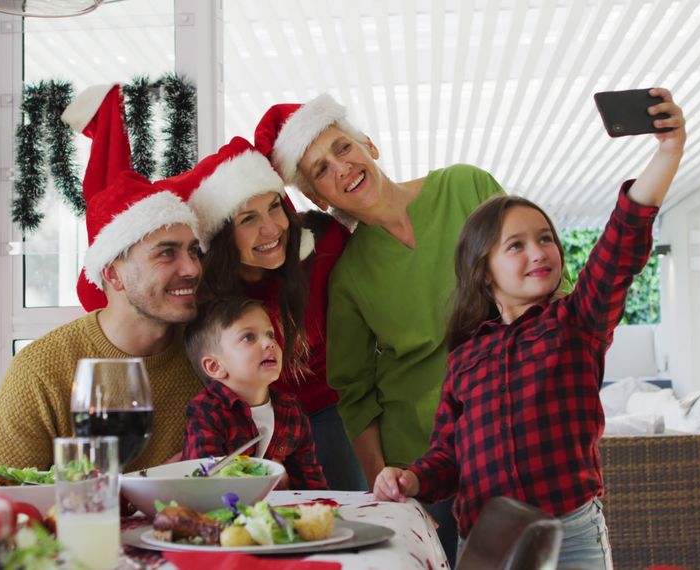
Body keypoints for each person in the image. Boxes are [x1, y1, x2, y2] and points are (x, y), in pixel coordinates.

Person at [374, 88, 686, 568]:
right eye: (515, 245)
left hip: (571, 536)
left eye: (545, 239)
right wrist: (412, 479)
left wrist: (667, 151)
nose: (539, 252)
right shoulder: (464, 359)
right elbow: (447, 458)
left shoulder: (576, 323)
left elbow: (620, 244)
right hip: (486, 540)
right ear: (483, 270)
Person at [254, 93, 507, 561]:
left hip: (510, 434)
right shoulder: (349, 273)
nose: (341, 168)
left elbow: (545, 287)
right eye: (321, 171)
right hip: (425, 463)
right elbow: (354, 391)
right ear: (315, 197)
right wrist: (385, 488)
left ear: (368, 144)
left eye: (342, 149)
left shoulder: (465, 187)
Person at [0, 85, 204, 473]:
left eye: (193, 251)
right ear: (112, 273)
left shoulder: (211, 355)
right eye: (167, 253)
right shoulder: (43, 371)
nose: (191, 268)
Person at [184, 135, 366, 490]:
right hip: (245, 419)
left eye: (275, 207)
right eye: (248, 219)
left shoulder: (324, 248)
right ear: (222, 234)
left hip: (330, 411)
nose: (271, 228)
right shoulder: (207, 295)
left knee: (336, 513)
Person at [182, 297, 328, 490]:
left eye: (270, 334)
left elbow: (311, 483)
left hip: (278, 514)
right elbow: (204, 485)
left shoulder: (290, 409)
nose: (269, 342)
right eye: (248, 337)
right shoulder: (206, 412)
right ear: (215, 366)